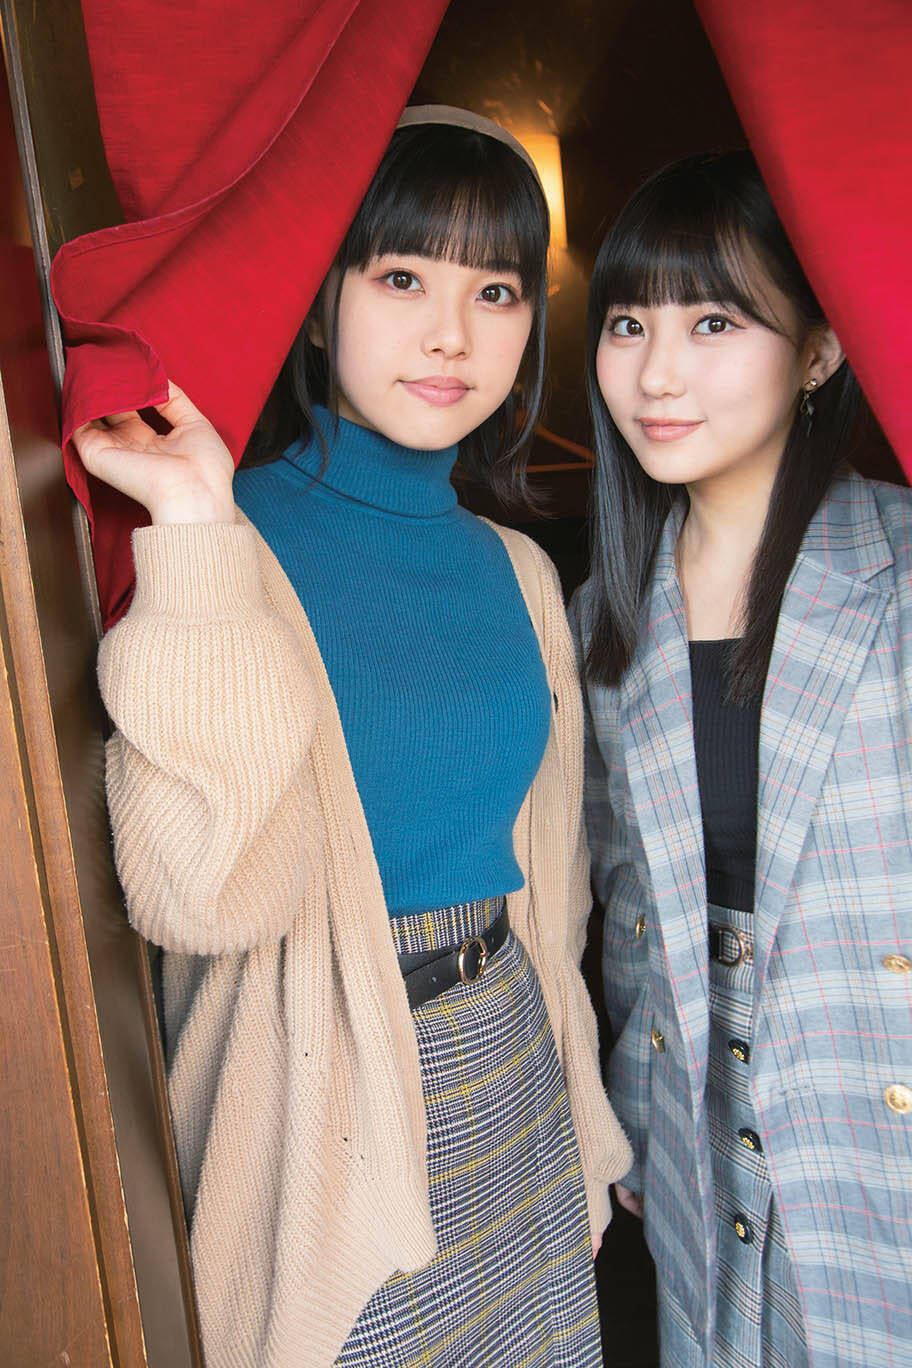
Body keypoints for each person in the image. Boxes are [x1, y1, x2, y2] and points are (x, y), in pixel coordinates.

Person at [72, 107, 632, 1368]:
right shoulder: (226, 547)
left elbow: (558, 897)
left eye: (496, 290)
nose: (452, 335)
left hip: (517, 1078)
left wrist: (584, 1128)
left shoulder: (522, 570)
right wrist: (195, 531)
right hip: (321, 1109)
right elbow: (202, 898)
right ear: (320, 305)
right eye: (402, 277)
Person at [571, 149, 912, 1368]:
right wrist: (638, 1113)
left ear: (818, 349)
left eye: (713, 321)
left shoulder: (899, 572)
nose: (657, 373)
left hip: (872, 1108)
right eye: (628, 324)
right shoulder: (605, 618)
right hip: (699, 1128)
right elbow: (628, 908)